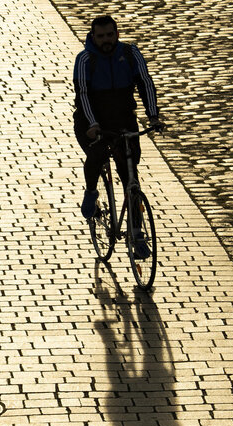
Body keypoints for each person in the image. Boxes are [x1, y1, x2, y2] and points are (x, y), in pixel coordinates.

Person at [73, 15, 163, 259]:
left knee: (130, 176)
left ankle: (138, 235)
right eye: (100, 36)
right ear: (93, 37)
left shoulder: (131, 54)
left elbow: (145, 82)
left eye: (110, 35)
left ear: (117, 34)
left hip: (123, 120)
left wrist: (153, 116)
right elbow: (82, 94)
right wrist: (92, 124)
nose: (106, 40)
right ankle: (91, 191)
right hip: (92, 120)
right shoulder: (85, 59)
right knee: (97, 155)